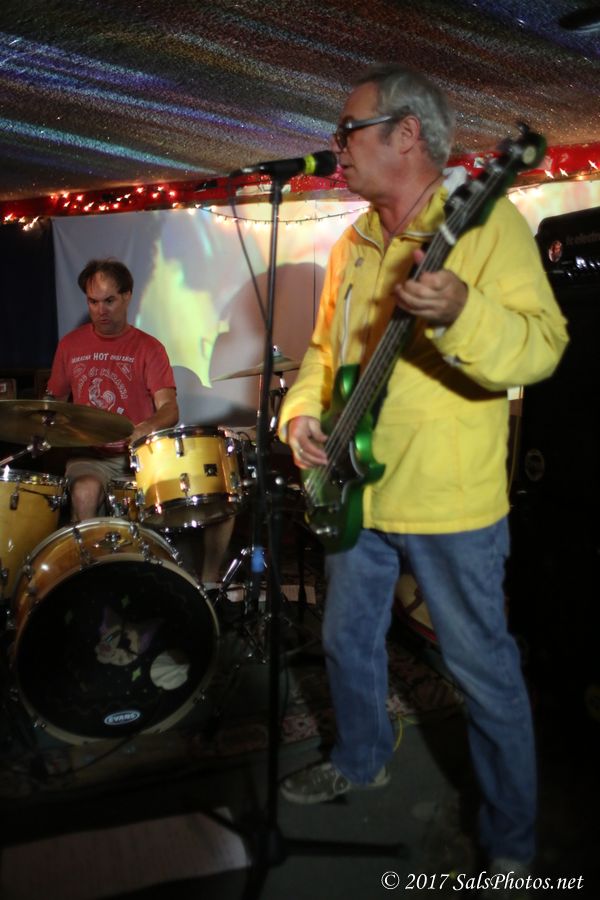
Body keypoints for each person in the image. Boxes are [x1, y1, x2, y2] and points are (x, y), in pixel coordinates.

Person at [277, 65, 569, 879]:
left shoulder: (482, 224)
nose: (336, 147)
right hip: (356, 490)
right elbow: (325, 352)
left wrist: (463, 311)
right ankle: (361, 756)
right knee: (345, 640)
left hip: (451, 502)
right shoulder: (353, 242)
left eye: (348, 130)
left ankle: (511, 847)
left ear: (406, 133)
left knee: (483, 671)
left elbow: (543, 346)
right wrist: (299, 414)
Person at [47, 258, 179, 521]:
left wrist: (145, 427)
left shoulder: (149, 348)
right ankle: (89, 549)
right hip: (88, 456)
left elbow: (170, 408)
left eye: (109, 301)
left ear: (127, 296)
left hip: (137, 455)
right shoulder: (70, 345)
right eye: (93, 302)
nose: (100, 311)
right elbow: (53, 403)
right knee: (85, 491)